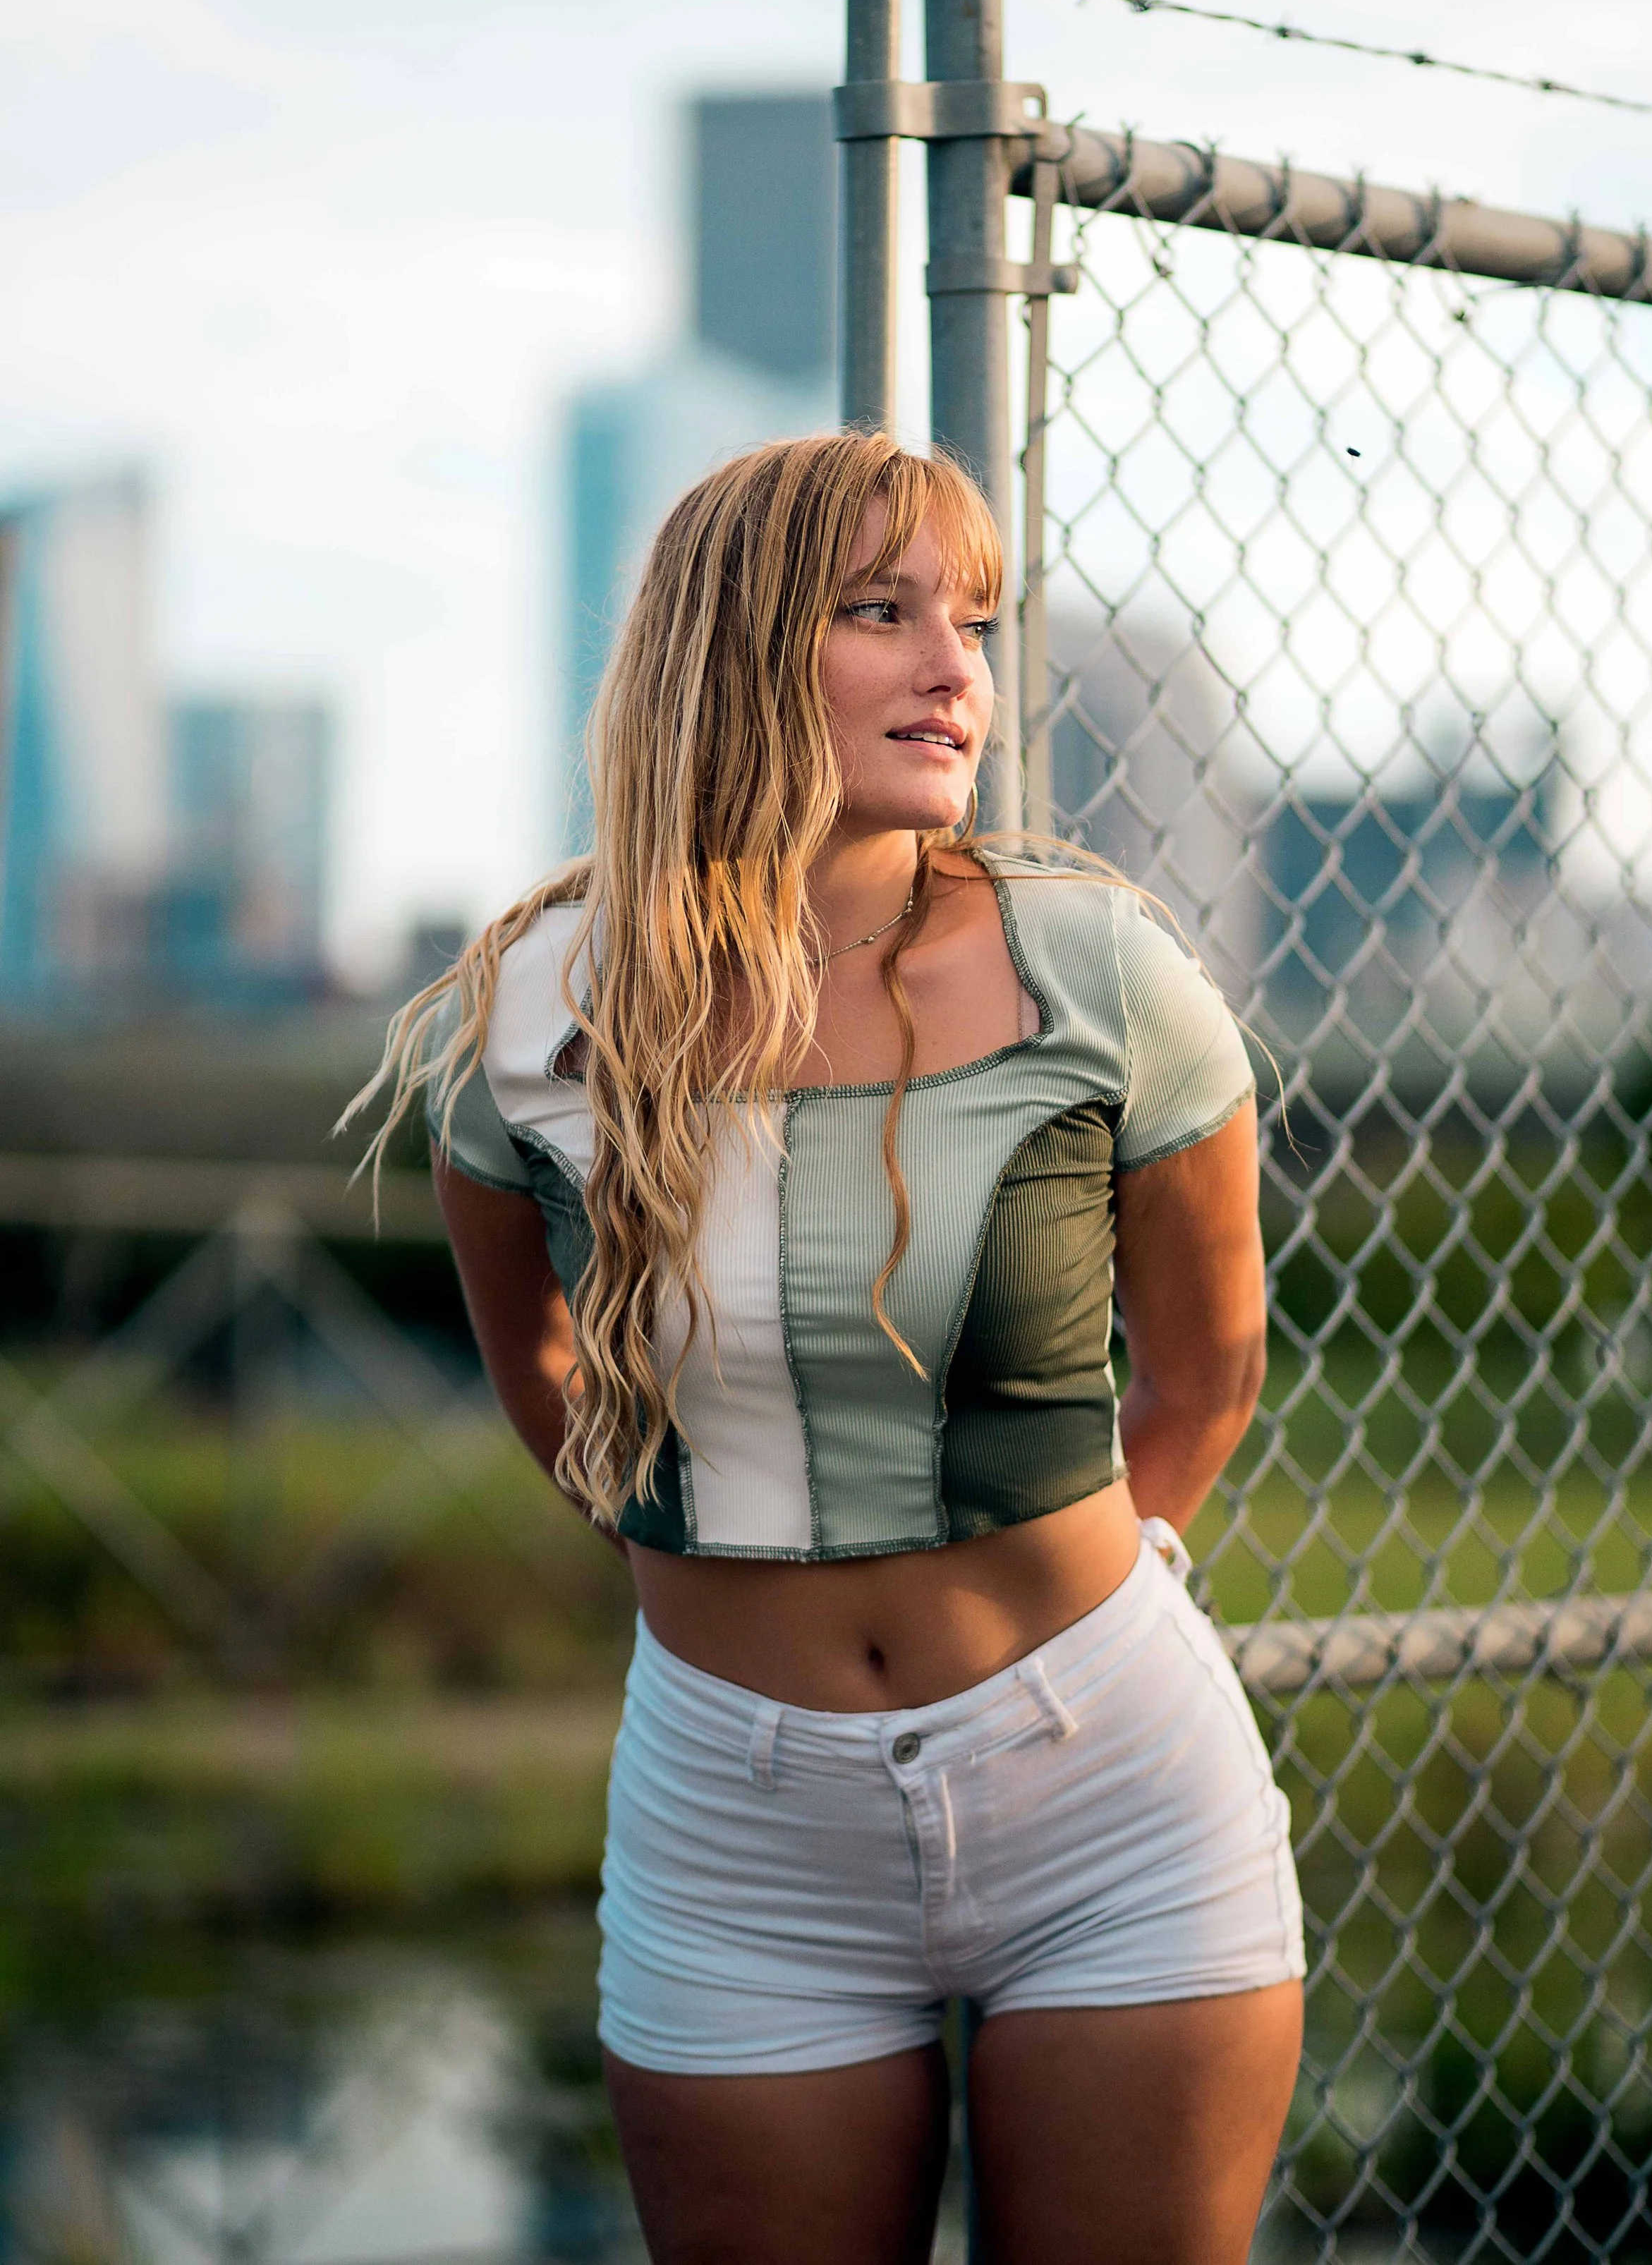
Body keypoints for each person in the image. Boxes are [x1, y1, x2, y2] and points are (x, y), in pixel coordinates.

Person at [354, 431, 1304, 2265]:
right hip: (737, 1822)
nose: (956, 668)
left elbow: (1209, 1367)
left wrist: (1072, 1600)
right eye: (883, 613)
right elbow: (544, 1374)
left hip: (1110, 1786)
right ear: (732, 651)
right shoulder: (546, 1011)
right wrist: (739, 1550)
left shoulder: (1099, 970)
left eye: (971, 619)